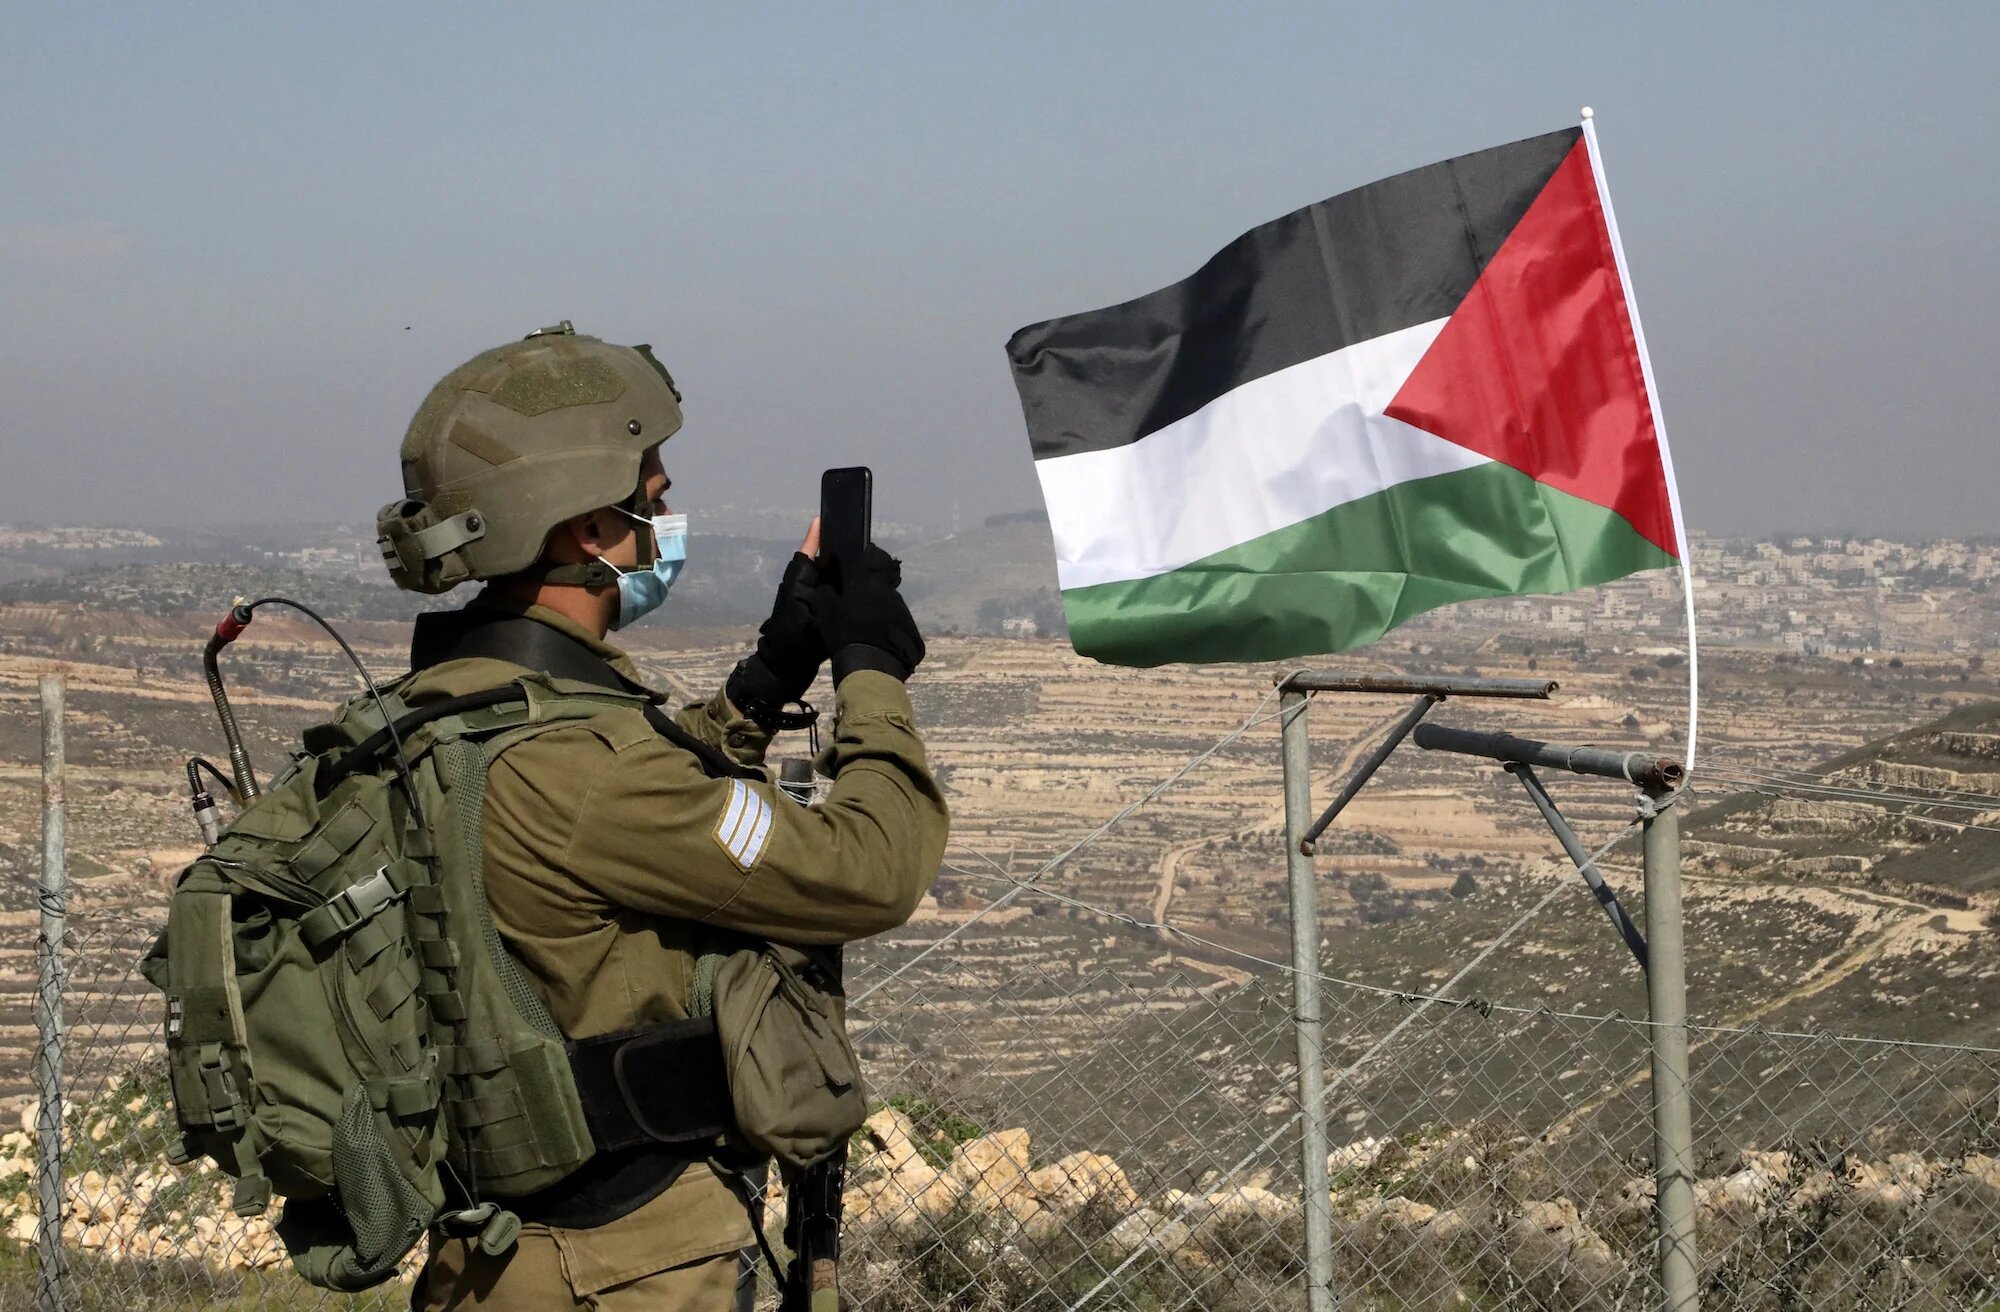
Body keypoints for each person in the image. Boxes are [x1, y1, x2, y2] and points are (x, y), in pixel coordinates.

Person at [375, 322, 949, 1309]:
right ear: (583, 529)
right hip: (619, 1262)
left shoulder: (443, 711)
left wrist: (766, 679)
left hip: (488, 1251)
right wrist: (870, 672)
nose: (665, 513)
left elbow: (625, 795)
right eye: (650, 493)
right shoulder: (582, 769)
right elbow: (871, 866)